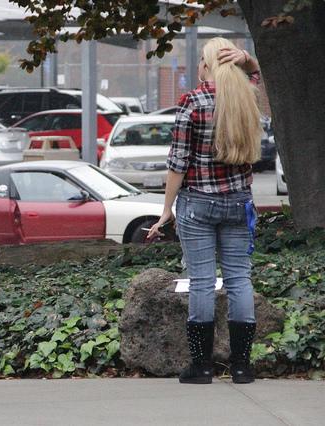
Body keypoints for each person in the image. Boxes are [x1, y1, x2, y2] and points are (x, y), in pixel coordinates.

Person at [147, 37, 262, 385]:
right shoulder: (245, 97)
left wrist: (166, 210)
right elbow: (254, 76)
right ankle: (241, 366)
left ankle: (202, 367)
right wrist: (247, 59)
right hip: (239, 203)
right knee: (239, 279)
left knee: (201, 282)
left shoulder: (193, 102)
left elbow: (178, 163)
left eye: (200, 60)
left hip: (198, 203)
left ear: (207, 66)